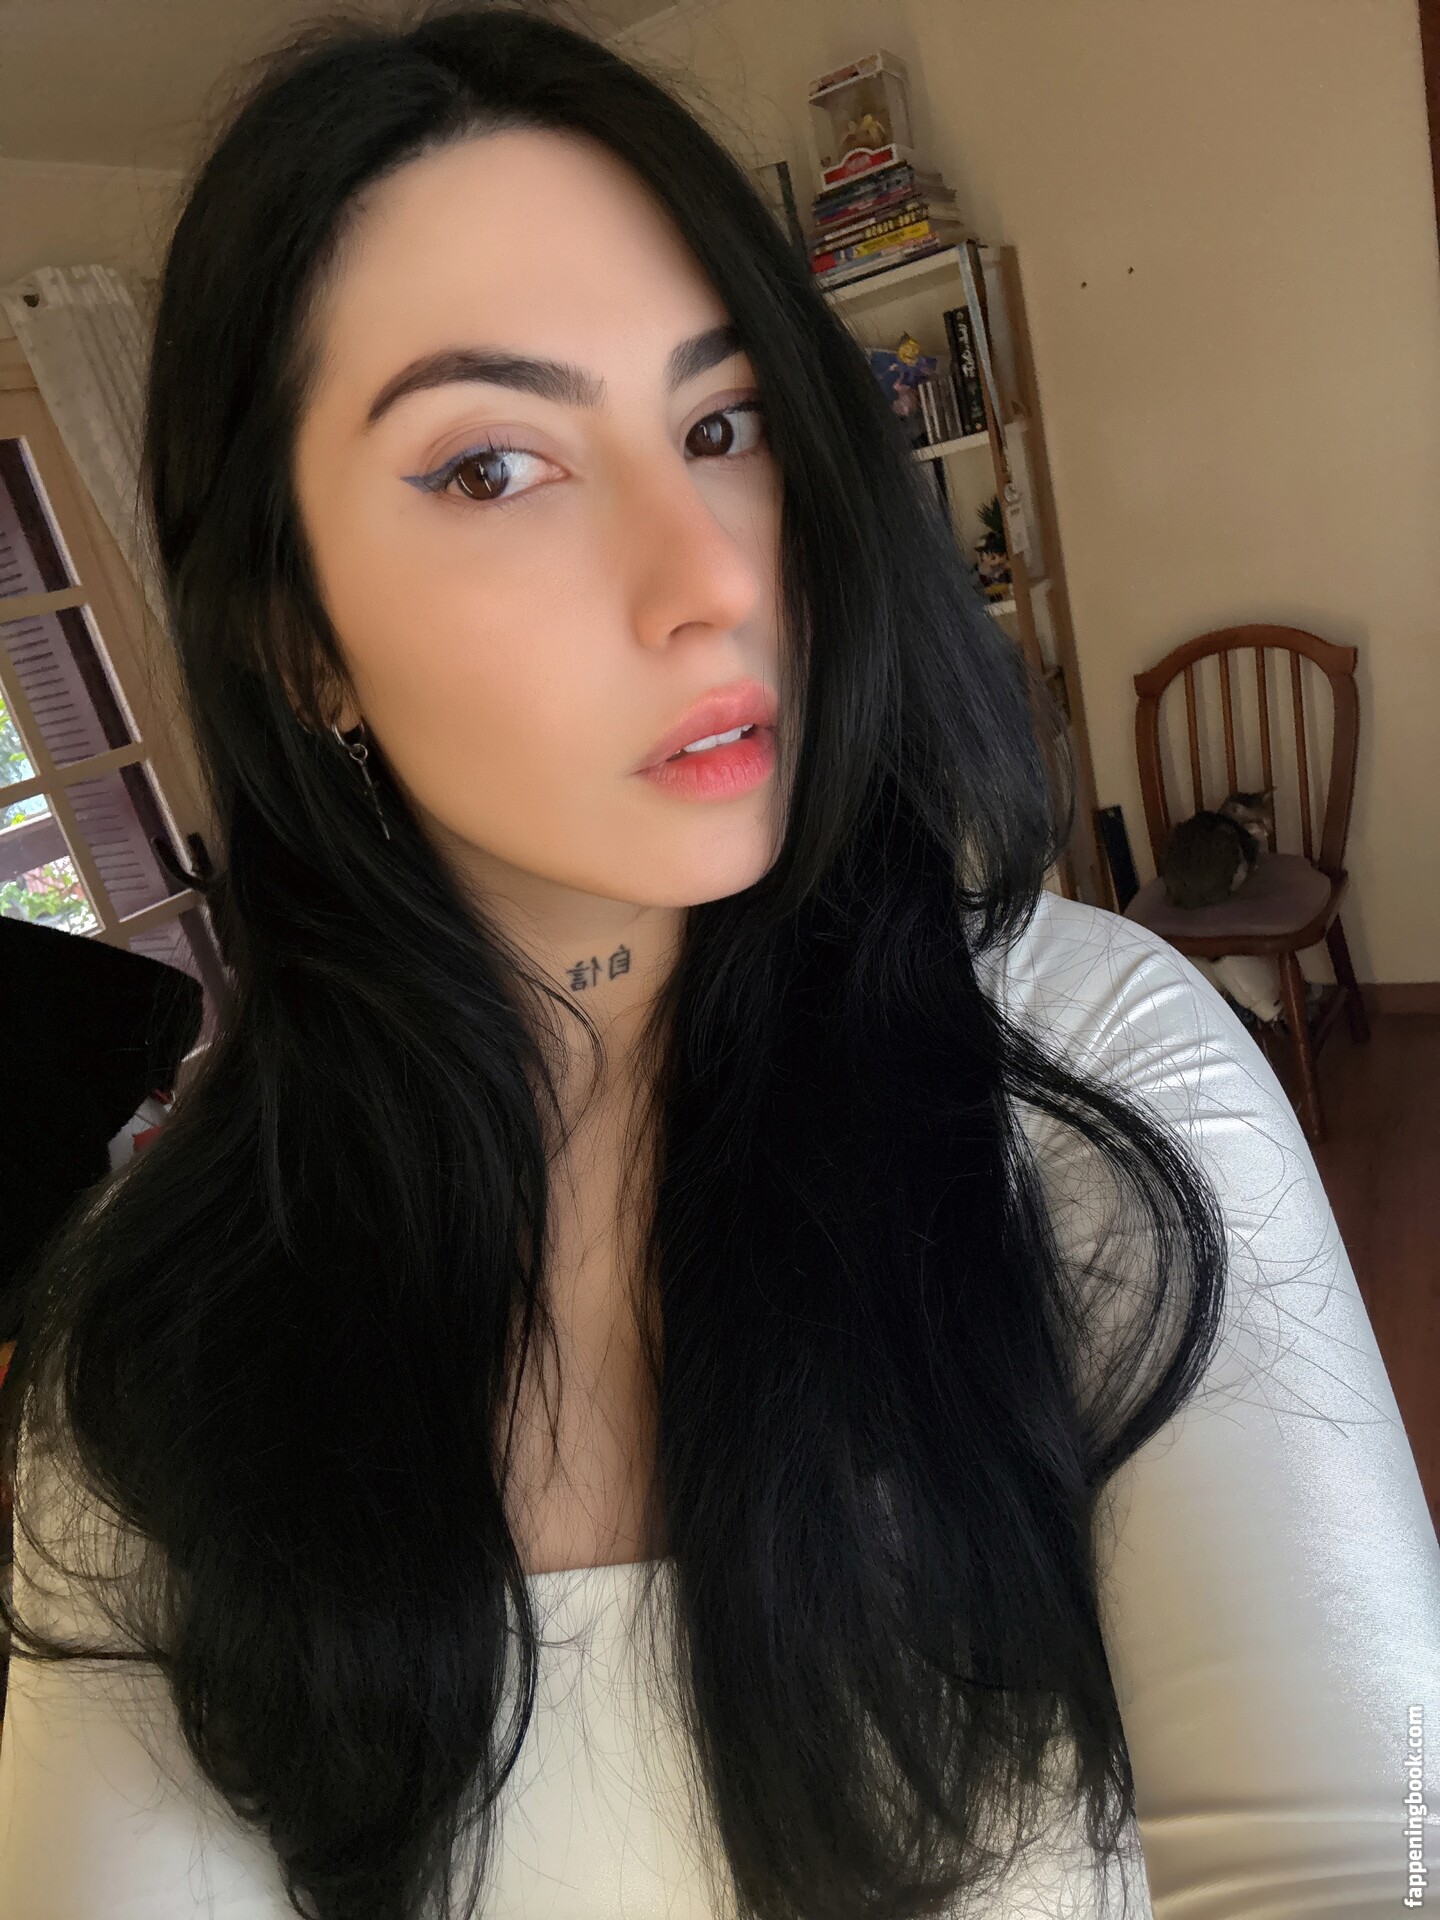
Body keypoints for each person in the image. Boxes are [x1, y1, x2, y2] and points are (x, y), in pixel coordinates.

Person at [0, 9, 1435, 1917]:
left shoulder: (1081, 1071)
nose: (713, 577)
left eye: (721, 423)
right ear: (297, 639)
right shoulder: (156, 1345)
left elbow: (1341, 1857)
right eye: (493, 466)